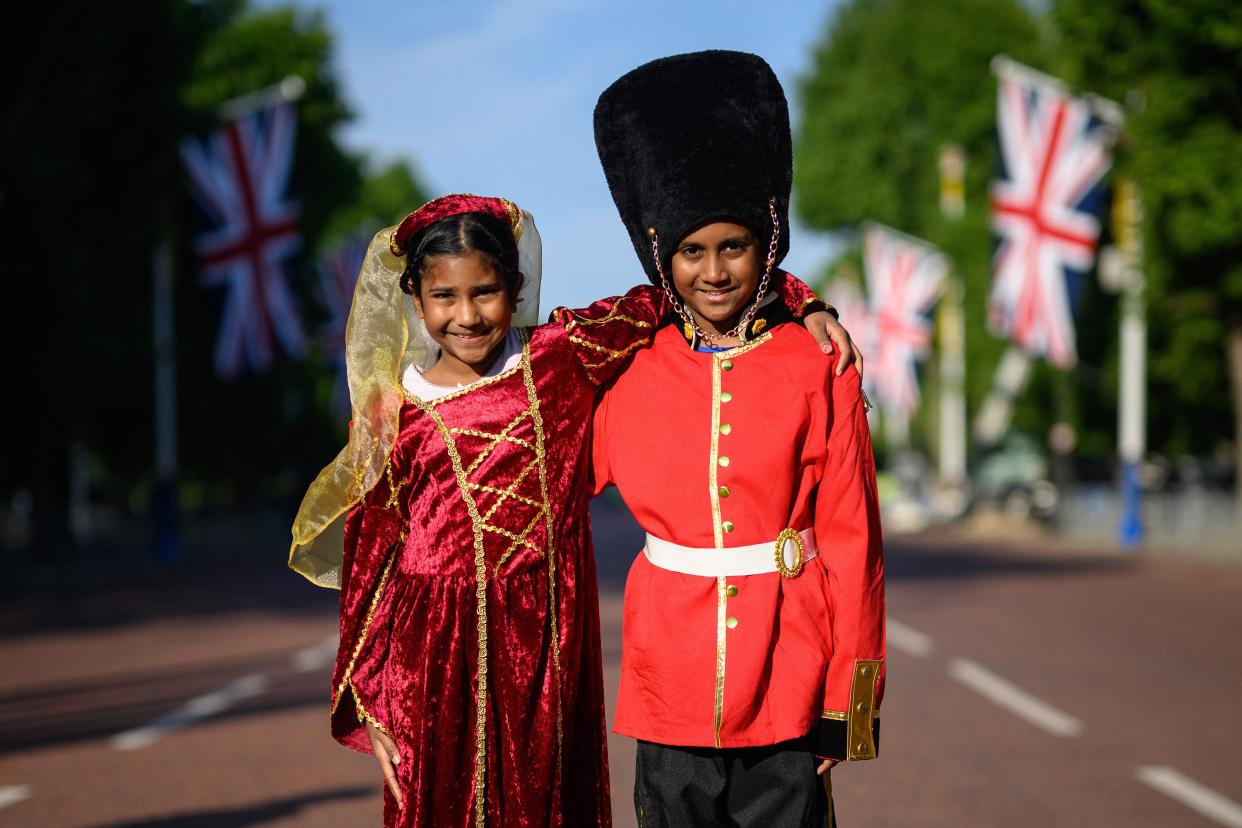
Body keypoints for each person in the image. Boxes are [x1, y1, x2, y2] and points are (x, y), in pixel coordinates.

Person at [288, 193, 857, 827]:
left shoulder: (562, 355)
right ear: (416, 302)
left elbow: (682, 283)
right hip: (432, 660)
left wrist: (804, 302)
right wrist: (373, 693)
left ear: (516, 287)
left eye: (486, 292)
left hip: (543, 644)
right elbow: (372, 559)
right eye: (445, 297)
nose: (468, 315)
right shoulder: (389, 415)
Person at [591, 50, 886, 826]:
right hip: (665, 684)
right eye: (692, 251)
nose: (714, 271)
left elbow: (854, 545)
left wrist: (848, 707)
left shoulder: (820, 363)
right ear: (663, 256)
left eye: (735, 246)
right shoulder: (624, 369)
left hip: (791, 674)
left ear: (768, 247)